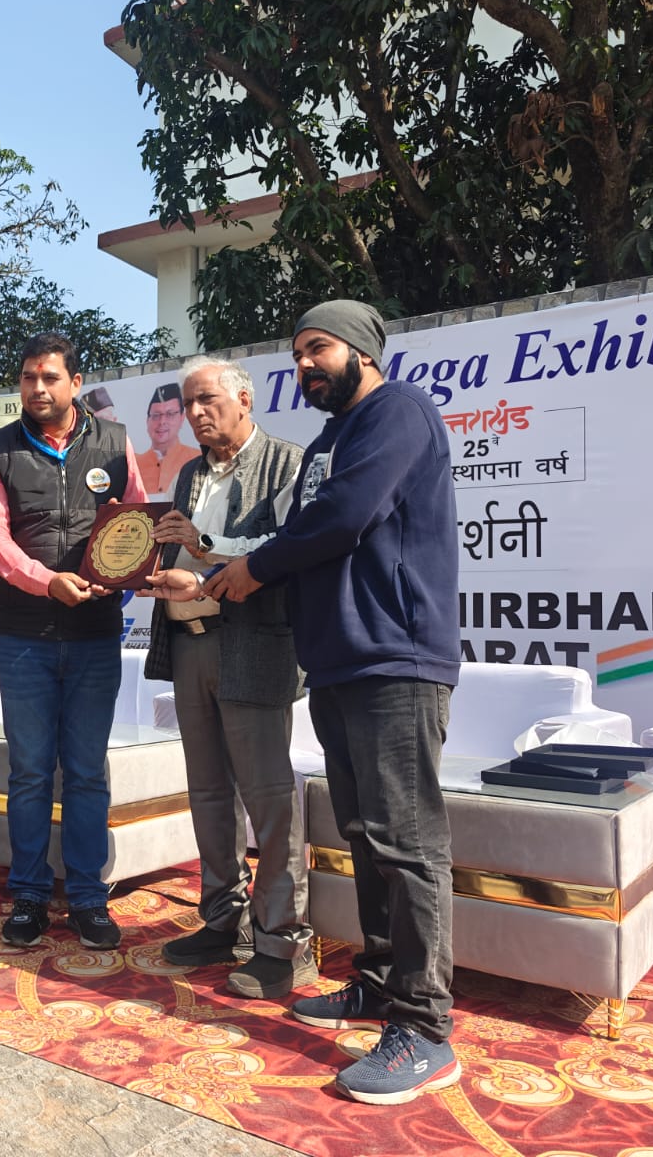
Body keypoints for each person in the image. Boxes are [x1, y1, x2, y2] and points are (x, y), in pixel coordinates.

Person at [147, 300, 461, 1106]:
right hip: (337, 661)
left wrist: (248, 569)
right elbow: (306, 534)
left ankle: (425, 1027)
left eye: (318, 348)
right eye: (296, 354)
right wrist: (221, 570)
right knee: (364, 835)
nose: (305, 366)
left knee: (405, 842)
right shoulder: (328, 441)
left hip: (396, 658)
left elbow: (343, 519)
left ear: (362, 350)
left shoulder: (399, 412)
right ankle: (381, 984)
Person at [143, 355, 314, 999]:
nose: (195, 413)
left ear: (244, 399)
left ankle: (283, 943)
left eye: (207, 400)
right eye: (188, 403)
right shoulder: (190, 472)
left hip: (255, 646)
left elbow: (286, 550)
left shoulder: (288, 463)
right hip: (190, 644)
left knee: (269, 801)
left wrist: (204, 551)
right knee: (209, 793)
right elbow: (183, 550)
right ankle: (222, 921)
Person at [0, 332, 148, 949]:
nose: (38, 388)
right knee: (28, 772)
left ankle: (87, 898)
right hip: (24, 635)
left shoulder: (115, 442)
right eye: (28, 378)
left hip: (95, 635)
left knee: (86, 773)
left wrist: (118, 577)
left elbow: (137, 521)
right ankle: (28, 895)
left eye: (50, 378)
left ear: (76, 383)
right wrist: (47, 582)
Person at [135, 382, 199, 497]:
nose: (162, 422)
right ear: (147, 421)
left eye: (170, 414)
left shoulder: (198, 460)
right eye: (156, 415)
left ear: (182, 418)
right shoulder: (134, 466)